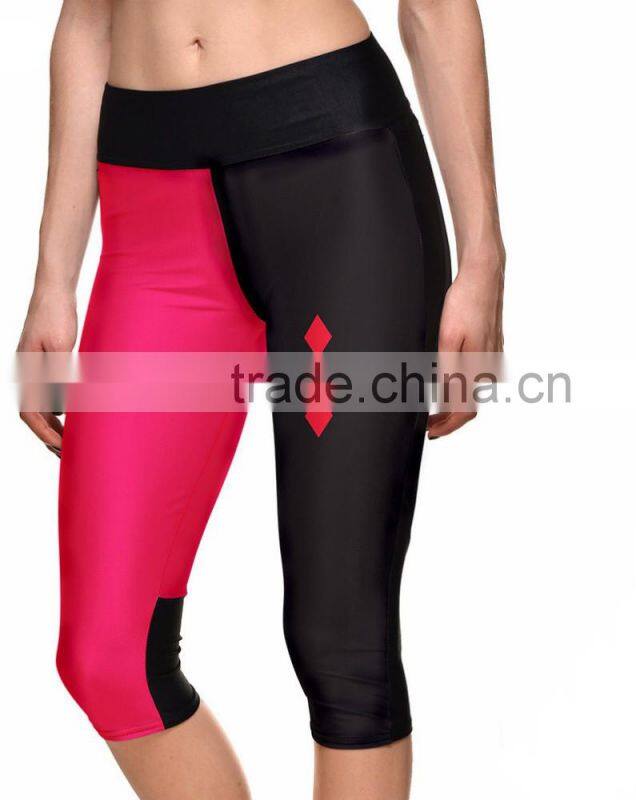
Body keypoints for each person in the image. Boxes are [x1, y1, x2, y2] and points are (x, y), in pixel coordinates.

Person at [17, 1, 504, 798]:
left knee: (341, 644)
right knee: (107, 657)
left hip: (338, 190)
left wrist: (483, 258)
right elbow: (86, 20)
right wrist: (52, 279)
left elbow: (434, 7)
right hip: (151, 221)